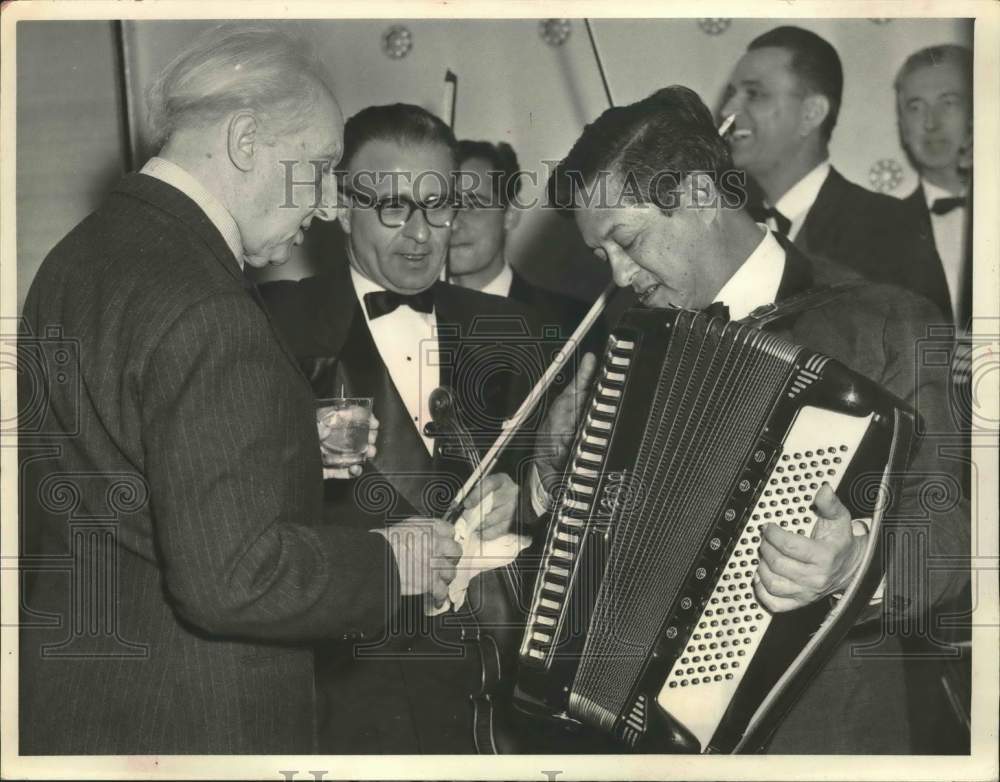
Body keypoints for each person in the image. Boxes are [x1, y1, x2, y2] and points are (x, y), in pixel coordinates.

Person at [17, 27, 465, 755]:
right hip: (196, 713)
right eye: (319, 167)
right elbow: (233, 577)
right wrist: (394, 562)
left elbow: (122, 466)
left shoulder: (79, 257)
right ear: (247, 139)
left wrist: (287, 440)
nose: (325, 204)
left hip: (84, 698)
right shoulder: (210, 306)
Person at [533, 85, 969, 753]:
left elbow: (951, 535)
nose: (619, 277)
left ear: (703, 197)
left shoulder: (884, 321)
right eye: (602, 256)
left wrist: (855, 566)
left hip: (825, 740)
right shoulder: (630, 347)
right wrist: (557, 477)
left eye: (627, 240)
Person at [259, 103, 545, 754]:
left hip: (486, 694)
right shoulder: (276, 326)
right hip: (346, 693)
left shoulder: (511, 329)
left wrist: (523, 500)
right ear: (338, 202)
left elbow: (551, 488)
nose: (420, 233)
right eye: (392, 205)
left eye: (440, 205)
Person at [720, 25, 945, 316]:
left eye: (754, 94)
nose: (728, 110)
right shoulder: (728, 226)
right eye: (732, 94)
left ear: (811, 114)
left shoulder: (890, 229)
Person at [449, 139, 591, 340]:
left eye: (473, 205)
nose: (454, 224)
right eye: (444, 205)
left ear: (510, 214)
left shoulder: (574, 324)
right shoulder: (403, 315)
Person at [894, 44, 973, 331]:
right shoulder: (878, 229)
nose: (931, 123)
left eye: (948, 102)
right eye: (915, 108)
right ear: (902, 126)